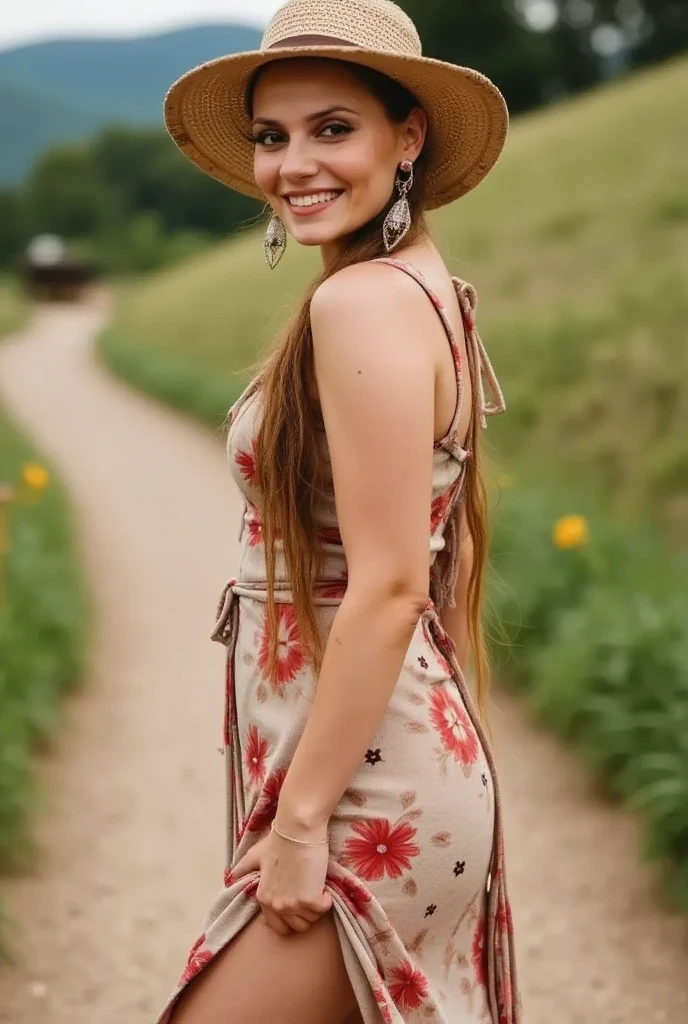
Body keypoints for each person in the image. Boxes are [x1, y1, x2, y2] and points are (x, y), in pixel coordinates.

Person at [159, 1, 520, 1022]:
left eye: (332, 128)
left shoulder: (358, 303)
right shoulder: (417, 285)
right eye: (273, 137)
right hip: (382, 751)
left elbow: (394, 582)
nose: (292, 164)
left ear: (407, 137)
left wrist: (300, 821)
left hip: (368, 780)